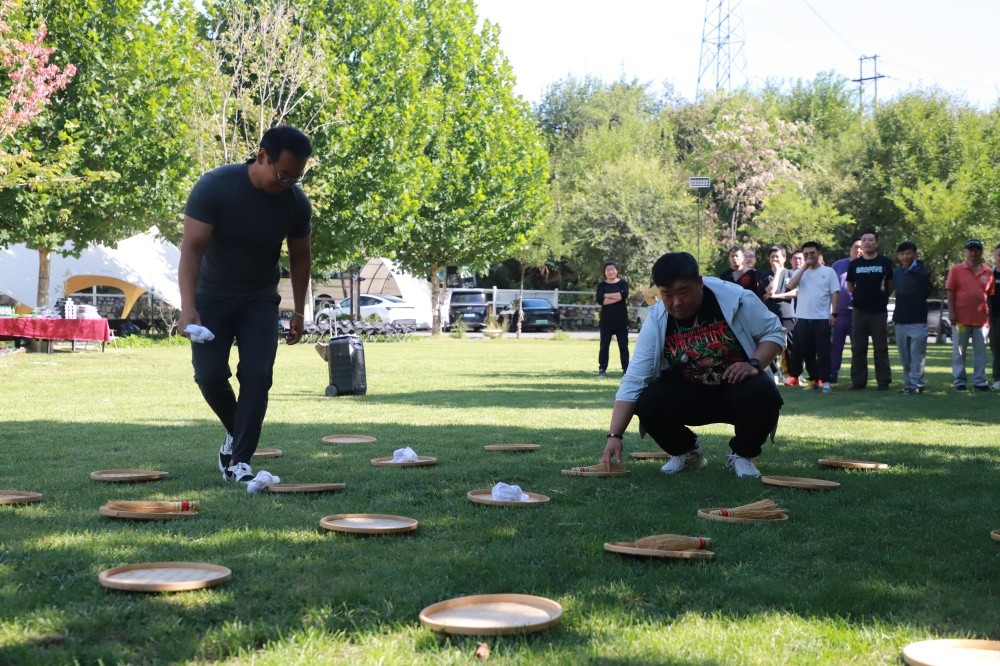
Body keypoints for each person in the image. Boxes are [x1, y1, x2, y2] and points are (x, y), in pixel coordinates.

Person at [179, 125, 313, 483]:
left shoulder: (295, 203)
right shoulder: (215, 187)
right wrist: (188, 306)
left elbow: (301, 258)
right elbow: (191, 249)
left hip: (259, 299)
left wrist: (299, 311)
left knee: (257, 375)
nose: (287, 183)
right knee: (209, 375)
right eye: (283, 175)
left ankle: (240, 460)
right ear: (262, 156)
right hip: (212, 296)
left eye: (296, 178)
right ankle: (236, 431)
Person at [599, 252, 785, 479]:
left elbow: (775, 332)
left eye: (683, 292)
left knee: (763, 390)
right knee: (647, 401)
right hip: (688, 391)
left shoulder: (737, 299)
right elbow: (634, 379)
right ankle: (686, 452)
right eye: (667, 294)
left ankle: (742, 455)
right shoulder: (657, 318)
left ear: (699, 283)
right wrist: (614, 435)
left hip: (737, 389)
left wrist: (754, 364)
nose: (676, 303)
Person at [785, 241, 839, 393]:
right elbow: (790, 286)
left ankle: (825, 381)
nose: (809, 256)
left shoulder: (828, 272)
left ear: (819, 254)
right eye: (806, 254)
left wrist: (834, 313)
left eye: (812, 253)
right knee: (807, 352)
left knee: (823, 352)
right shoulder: (800, 272)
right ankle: (814, 380)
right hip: (803, 319)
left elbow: (835, 293)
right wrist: (803, 268)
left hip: (822, 318)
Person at [846, 230, 894, 390]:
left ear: (876, 243)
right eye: (864, 240)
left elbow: (890, 285)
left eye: (871, 240)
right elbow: (850, 286)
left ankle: (883, 381)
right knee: (858, 347)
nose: (867, 242)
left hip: (879, 311)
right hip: (859, 311)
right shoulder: (855, 264)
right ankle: (858, 381)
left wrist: (881, 297)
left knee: (880, 348)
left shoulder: (885, 262)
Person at [945, 239, 995, 391]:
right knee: (960, 352)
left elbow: (989, 295)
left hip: (982, 320)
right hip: (960, 319)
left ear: (981, 252)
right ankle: (959, 380)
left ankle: (980, 381)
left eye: (977, 250)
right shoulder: (956, 269)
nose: (973, 253)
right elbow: (950, 292)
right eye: (970, 250)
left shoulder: (988, 272)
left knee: (981, 353)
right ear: (965, 252)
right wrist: (951, 312)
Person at [892, 241, 934, 394]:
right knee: (905, 357)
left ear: (915, 254)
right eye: (902, 254)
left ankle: (917, 384)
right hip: (900, 319)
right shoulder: (897, 272)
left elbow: (928, 290)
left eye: (908, 253)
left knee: (917, 356)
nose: (905, 257)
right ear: (898, 256)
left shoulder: (922, 271)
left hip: (917, 319)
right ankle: (909, 384)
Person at [829, 239, 862, 384]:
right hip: (839, 313)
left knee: (858, 347)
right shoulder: (838, 265)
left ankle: (857, 377)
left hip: (858, 313)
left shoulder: (866, 266)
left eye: (861, 248)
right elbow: (830, 288)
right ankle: (832, 373)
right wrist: (832, 312)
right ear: (850, 249)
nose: (858, 250)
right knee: (835, 346)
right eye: (856, 247)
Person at [761, 246, 795, 384]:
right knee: (771, 343)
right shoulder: (766, 275)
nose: (774, 259)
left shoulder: (791, 273)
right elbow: (770, 290)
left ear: (784, 258)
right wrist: (778, 273)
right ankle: (773, 373)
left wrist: (776, 296)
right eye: (772, 257)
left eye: (777, 256)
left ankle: (790, 375)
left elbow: (795, 292)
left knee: (789, 346)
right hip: (771, 315)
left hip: (788, 314)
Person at [596, 261, 629, 376]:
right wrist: (616, 296)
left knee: (623, 345)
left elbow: (623, 295)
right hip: (606, 320)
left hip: (621, 319)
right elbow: (600, 300)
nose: (610, 272)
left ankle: (626, 368)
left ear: (617, 271)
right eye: (608, 270)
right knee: (604, 345)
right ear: (604, 272)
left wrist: (606, 295)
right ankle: (602, 368)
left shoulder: (623, 283)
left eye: (612, 269)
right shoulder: (601, 285)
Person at [991, 244, 1000, 391]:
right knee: (997, 350)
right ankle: (998, 379)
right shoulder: (989, 275)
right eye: (999, 255)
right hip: (995, 319)